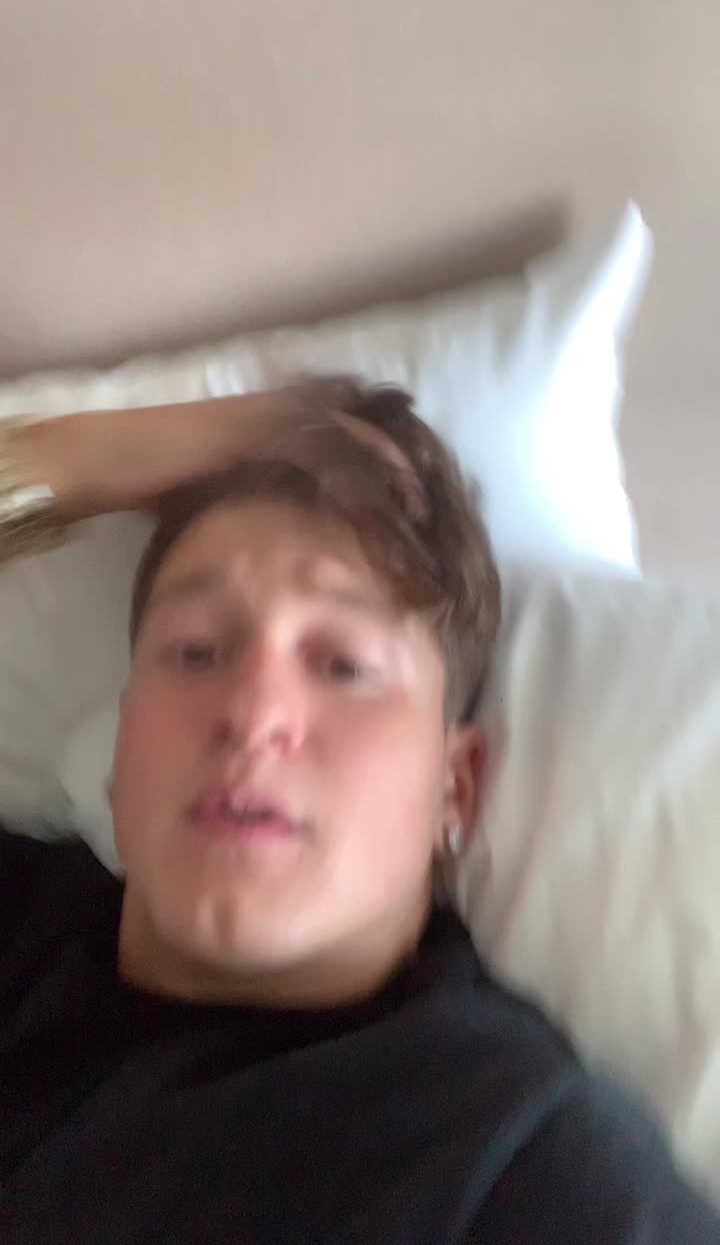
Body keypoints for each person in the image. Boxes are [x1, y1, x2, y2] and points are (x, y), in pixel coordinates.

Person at [0, 379, 718, 1245]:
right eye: (195, 652)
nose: (254, 714)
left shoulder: (524, 1167)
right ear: (121, 753)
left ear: (454, 787)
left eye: (343, 666)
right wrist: (89, 456)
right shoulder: (24, 928)